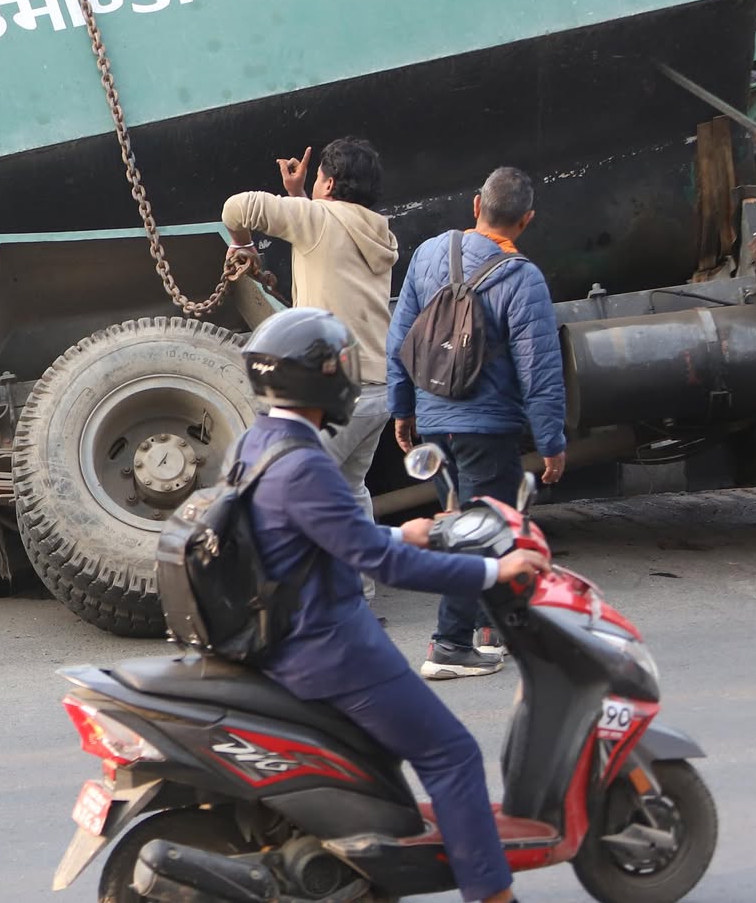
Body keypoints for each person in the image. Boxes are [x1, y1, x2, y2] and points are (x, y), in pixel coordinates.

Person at [230, 307, 547, 903]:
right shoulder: (305, 465)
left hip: (287, 635)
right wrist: (493, 569)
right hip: (330, 649)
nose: (348, 376)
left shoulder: (257, 445)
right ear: (317, 381)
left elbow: (331, 540)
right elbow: (384, 567)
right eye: (339, 366)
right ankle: (492, 895)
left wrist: (408, 531)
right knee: (451, 753)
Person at [388, 166, 567, 680]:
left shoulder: (428, 254)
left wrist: (404, 409)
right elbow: (540, 369)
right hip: (485, 426)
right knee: (475, 532)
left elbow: (401, 338)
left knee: (476, 524)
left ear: (475, 206)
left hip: (435, 418)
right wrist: (551, 440)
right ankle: (448, 644)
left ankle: (494, 630)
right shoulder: (522, 277)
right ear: (526, 220)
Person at [222, 138, 398, 523]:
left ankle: (310, 582)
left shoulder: (316, 220)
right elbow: (324, 238)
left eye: (319, 178)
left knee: (296, 496)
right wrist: (299, 195)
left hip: (336, 393)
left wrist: (244, 245)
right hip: (378, 391)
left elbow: (235, 207)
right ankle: (359, 584)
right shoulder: (377, 233)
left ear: (331, 184)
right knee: (350, 491)